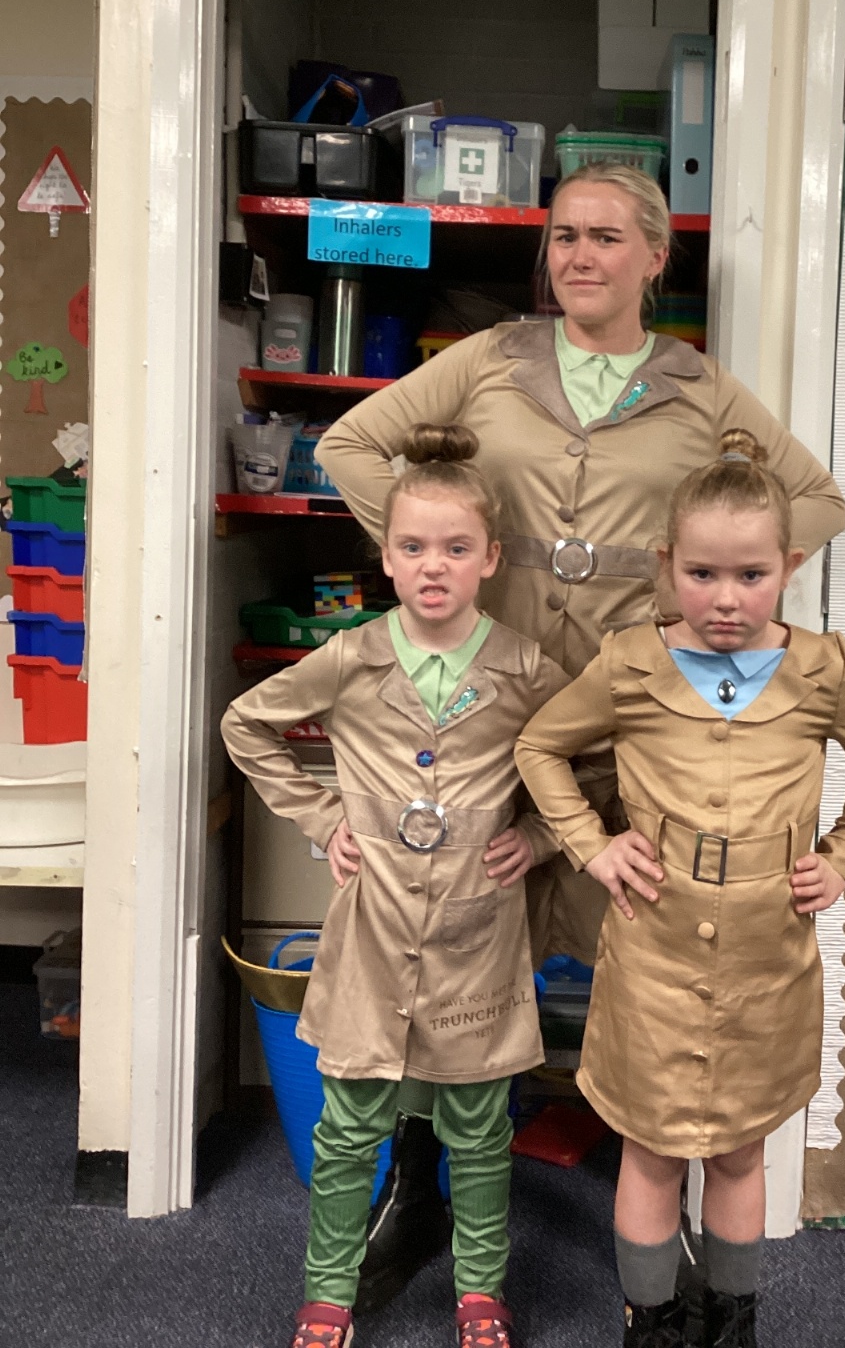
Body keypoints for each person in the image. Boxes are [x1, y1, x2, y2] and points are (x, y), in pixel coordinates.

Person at [315, 162, 845, 1290]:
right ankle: (420, 1189)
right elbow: (350, 446)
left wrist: (703, 596)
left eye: (607, 237)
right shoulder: (490, 359)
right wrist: (444, 559)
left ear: (656, 256)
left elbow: (814, 501)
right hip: (484, 716)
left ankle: (666, 1206)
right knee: (445, 958)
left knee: (650, 964)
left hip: (629, 731)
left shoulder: (697, 387)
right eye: (564, 236)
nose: (580, 256)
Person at [514, 430, 845, 1348]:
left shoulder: (825, 671)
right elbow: (541, 747)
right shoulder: (630, 664)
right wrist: (591, 845)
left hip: (768, 961)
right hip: (653, 952)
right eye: (700, 575)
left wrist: (844, 856)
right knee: (651, 1151)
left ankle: (733, 1328)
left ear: (790, 567)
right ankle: (649, 1327)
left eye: (751, 576)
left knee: (738, 1151)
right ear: (666, 564)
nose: (726, 599)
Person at [221, 425, 567, 1348]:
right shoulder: (352, 657)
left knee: (479, 1129)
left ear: (490, 558)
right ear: (385, 556)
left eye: (455, 548)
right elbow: (247, 725)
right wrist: (323, 819)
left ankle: (480, 1291)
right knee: (347, 1126)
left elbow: (595, 763)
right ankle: (328, 1294)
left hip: (476, 937)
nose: (433, 566)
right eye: (412, 547)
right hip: (371, 931)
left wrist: (538, 837)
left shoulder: (527, 669)